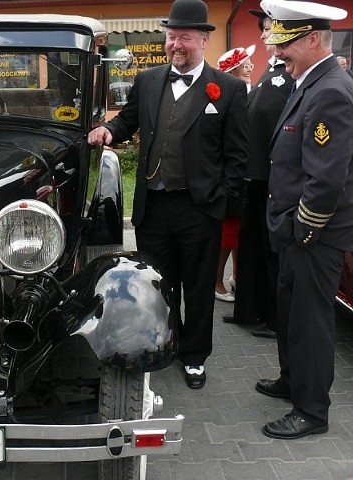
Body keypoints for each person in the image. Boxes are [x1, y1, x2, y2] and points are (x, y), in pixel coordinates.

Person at [87, 0, 248, 389]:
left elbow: (238, 156)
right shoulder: (149, 80)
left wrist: (221, 203)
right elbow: (128, 118)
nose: (176, 44)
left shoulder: (227, 89)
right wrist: (110, 131)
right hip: (153, 206)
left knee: (197, 286)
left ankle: (194, 356)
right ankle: (162, 345)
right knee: (159, 284)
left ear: (204, 40)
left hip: (199, 208)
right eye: (171, 36)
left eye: (185, 38)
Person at [256, 0, 353, 440]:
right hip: (297, 228)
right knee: (292, 312)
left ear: (314, 39)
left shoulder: (331, 89)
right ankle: (293, 381)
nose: (278, 53)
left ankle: (312, 411)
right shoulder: (310, 80)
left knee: (311, 321)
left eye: (286, 44)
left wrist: (303, 229)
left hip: (315, 231)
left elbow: (326, 178)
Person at [221, 9, 294, 340]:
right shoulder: (271, 69)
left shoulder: (291, 73)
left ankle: (273, 317)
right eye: (263, 30)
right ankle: (248, 309)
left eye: (267, 29)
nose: (263, 35)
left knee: (269, 251)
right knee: (248, 246)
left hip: (271, 177)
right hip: (254, 175)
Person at [214, 44, 256, 303]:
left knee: (241, 233)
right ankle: (216, 281)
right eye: (245, 64)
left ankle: (238, 277)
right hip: (232, 173)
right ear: (233, 69)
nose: (250, 66)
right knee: (228, 234)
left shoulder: (254, 90)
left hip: (250, 170)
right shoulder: (227, 95)